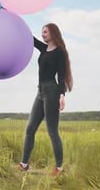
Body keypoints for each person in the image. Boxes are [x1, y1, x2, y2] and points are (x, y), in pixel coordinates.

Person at [18, 23, 73, 176]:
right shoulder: (44, 49)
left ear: (53, 33)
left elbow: (61, 76)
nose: (43, 34)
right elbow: (31, 38)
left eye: (45, 32)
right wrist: (13, 17)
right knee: (30, 129)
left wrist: (62, 95)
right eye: (42, 32)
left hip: (52, 92)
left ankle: (59, 168)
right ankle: (24, 164)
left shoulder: (60, 53)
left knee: (52, 131)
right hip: (40, 91)